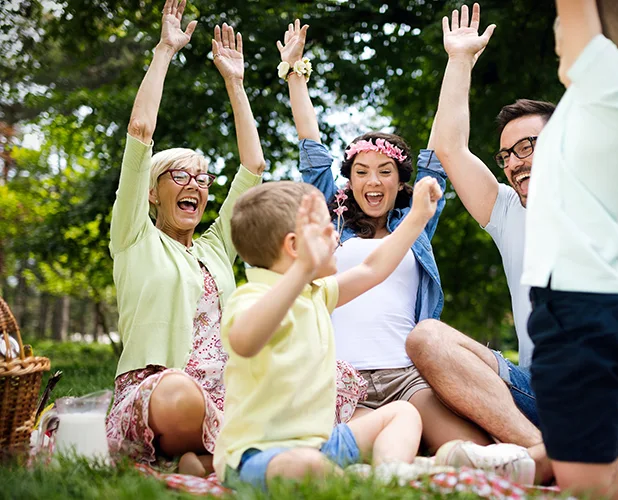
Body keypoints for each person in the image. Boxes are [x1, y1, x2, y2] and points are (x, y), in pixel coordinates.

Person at [407, 2, 618, 485]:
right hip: (547, 393)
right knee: (426, 338)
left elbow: (606, 63)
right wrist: (459, 59)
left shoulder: (608, 169)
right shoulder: (508, 211)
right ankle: (542, 452)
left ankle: (543, 459)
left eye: (528, 146)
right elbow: (450, 148)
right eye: (506, 155)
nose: (514, 162)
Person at [276, 20, 492, 451]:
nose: (372, 181)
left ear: (400, 180)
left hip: (406, 376)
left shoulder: (416, 222)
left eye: (384, 171)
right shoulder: (330, 221)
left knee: (475, 452)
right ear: (349, 181)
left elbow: (443, 146)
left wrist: (458, 62)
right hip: (340, 378)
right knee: (365, 455)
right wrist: (294, 69)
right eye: (361, 171)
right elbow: (311, 148)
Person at [105, 0, 265, 476]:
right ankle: (222, 452)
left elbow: (253, 167)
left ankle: (202, 457)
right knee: (180, 395)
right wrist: (164, 51)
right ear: (152, 193)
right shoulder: (134, 237)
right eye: (180, 175)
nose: (195, 184)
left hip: (227, 389)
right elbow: (139, 130)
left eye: (202, 179)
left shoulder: (217, 248)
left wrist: (235, 84)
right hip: (162, 389)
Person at [214, 179, 444, 489]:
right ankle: (356, 481)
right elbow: (244, 340)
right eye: (325, 230)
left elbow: (372, 270)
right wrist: (301, 272)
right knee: (304, 466)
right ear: (295, 247)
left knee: (403, 412)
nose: (337, 235)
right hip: (257, 455)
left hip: (323, 445)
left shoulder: (316, 293)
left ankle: (388, 477)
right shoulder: (252, 297)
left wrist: (417, 217)